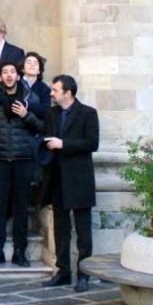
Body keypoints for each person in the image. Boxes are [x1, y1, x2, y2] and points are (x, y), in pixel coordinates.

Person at [0, 62, 44, 268]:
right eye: (5, 72)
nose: (9, 75)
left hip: (23, 159)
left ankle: (19, 252)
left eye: (12, 72)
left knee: (21, 209)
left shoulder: (31, 98)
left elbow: (42, 127)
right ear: (0, 77)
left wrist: (27, 115)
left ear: (18, 76)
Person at [42, 74, 99, 292]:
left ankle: (84, 274)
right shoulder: (52, 114)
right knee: (61, 229)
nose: (51, 93)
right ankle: (63, 272)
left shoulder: (88, 113)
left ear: (68, 92)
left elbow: (92, 143)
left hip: (79, 179)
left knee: (83, 231)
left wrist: (63, 144)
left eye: (55, 90)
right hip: (57, 179)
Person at [21, 51, 52, 120]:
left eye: (35, 63)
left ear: (39, 71)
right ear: (23, 69)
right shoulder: (16, 84)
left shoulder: (45, 88)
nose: (32, 65)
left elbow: (46, 110)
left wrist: (26, 105)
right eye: (28, 62)